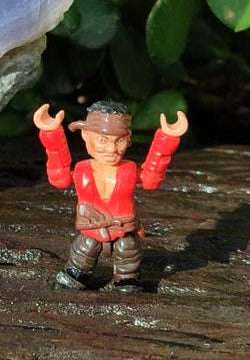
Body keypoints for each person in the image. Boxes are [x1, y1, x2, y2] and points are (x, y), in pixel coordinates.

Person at [33, 100, 188, 292]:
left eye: (119, 140)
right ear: (86, 136)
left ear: (128, 139)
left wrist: (166, 139)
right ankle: (75, 274)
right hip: (91, 230)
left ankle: (127, 279)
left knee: (127, 250)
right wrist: (52, 133)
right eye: (102, 140)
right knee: (84, 249)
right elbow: (60, 179)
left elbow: (150, 180)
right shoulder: (81, 170)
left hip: (123, 230)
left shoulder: (129, 169)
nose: (111, 149)